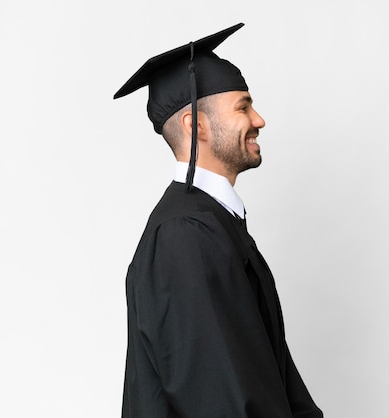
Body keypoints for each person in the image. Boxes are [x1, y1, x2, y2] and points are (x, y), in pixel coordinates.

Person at [114, 23, 323, 417]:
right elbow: (216, 400)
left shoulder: (214, 223)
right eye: (243, 107)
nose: (259, 119)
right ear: (198, 126)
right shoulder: (184, 235)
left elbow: (274, 379)